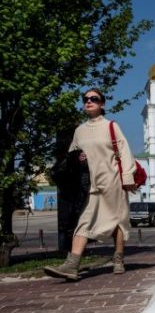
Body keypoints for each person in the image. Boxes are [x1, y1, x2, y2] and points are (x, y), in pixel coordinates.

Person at [44, 88, 137, 280]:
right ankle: (72, 264)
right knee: (84, 222)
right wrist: (78, 157)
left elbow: (125, 151)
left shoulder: (111, 126)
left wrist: (127, 178)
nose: (89, 101)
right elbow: (71, 156)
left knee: (118, 220)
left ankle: (118, 259)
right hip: (89, 185)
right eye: (85, 99)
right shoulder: (80, 131)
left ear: (102, 104)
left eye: (94, 99)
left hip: (113, 183)